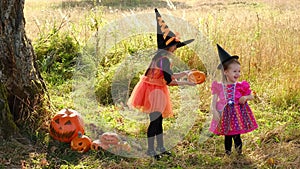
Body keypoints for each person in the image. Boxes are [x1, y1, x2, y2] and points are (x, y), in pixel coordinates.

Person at [127, 8, 196, 160]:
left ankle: (161, 147)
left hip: (156, 89)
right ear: (168, 47)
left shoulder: (161, 58)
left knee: (159, 121)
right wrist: (187, 83)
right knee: (155, 122)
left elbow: (168, 76)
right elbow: (170, 81)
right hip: (154, 92)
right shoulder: (163, 59)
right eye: (175, 47)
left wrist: (185, 73)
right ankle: (152, 150)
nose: (176, 50)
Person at [209, 44, 258, 156]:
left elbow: (252, 96)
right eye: (234, 71)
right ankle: (228, 154)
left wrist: (245, 97)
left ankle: (239, 154)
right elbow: (214, 100)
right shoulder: (219, 86)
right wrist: (214, 111)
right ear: (225, 72)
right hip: (225, 114)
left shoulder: (240, 86)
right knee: (227, 135)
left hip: (237, 115)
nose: (238, 74)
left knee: (237, 135)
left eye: (239, 71)